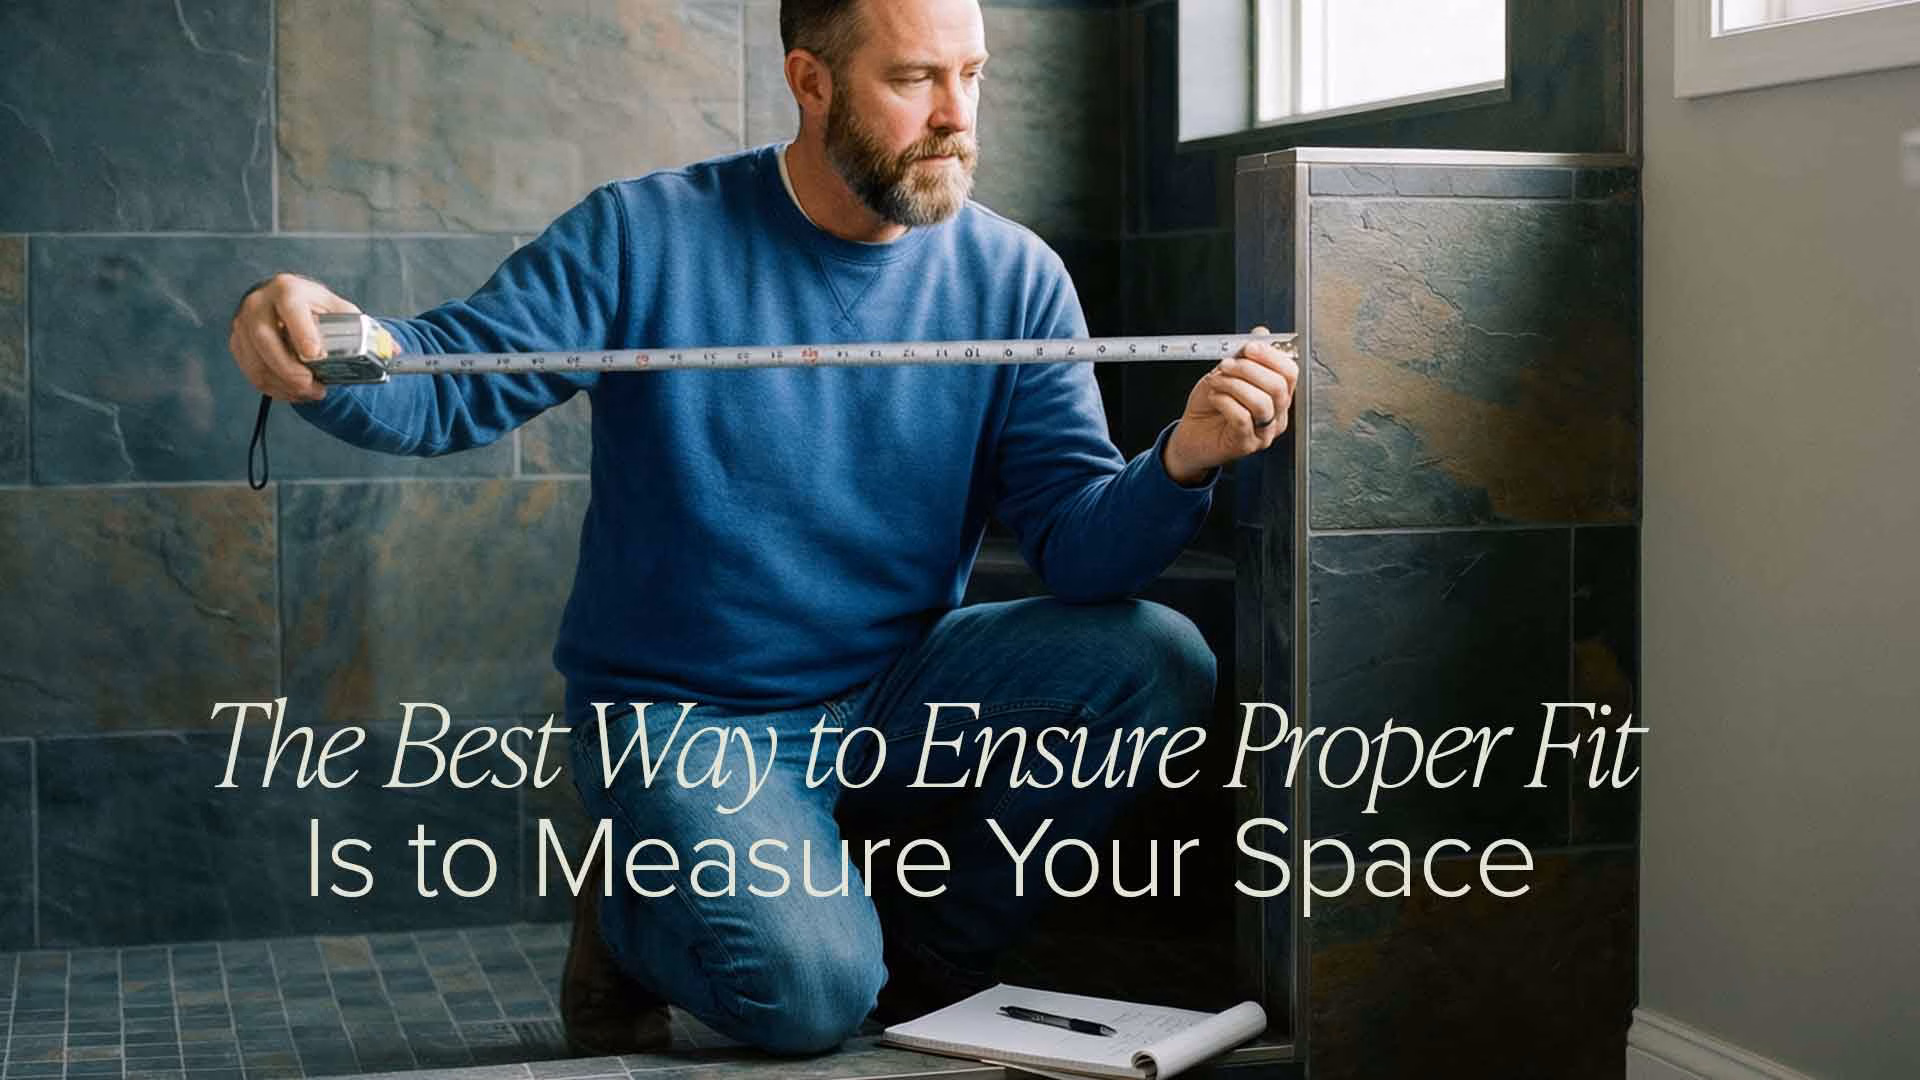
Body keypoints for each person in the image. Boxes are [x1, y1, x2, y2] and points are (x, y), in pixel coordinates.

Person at [226, 0, 1298, 1060]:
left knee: (1154, 658)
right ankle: (634, 928)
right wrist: (326, 337)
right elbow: (443, 381)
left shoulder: (1014, 277)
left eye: (972, 75)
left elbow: (1074, 545)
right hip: (689, 714)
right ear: (812, 82)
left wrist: (1179, 462)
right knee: (807, 997)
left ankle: (926, 963)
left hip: (896, 682)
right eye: (915, 79)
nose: (957, 115)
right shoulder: (642, 234)